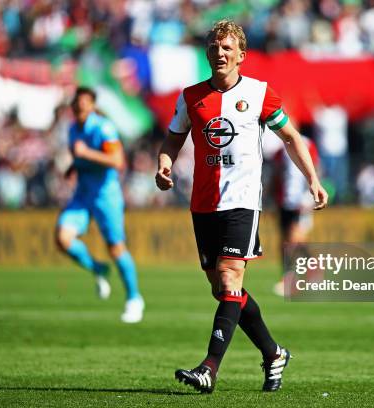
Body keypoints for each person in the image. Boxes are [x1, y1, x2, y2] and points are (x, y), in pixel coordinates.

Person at [156, 20, 328, 393]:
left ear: (242, 56)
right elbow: (172, 140)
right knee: (223, 290)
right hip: (203, 204)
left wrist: (312, 179)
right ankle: (273, 353)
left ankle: (209, 368)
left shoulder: (260, 94)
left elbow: (292, 137)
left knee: (232, 279)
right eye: (215, 48)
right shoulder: (190, 97)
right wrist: (164, 165)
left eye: (228, 48)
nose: (220, 53)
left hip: (242, 202)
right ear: (207, 53)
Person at [55, 86, 144, 324]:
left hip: (106, 195)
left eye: (84, 104)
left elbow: (117, 160)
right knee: (63, 238)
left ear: (92, 106)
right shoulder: (73, 129)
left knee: (115, 248)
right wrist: (73, 166)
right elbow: (79, 155)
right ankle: (98, 268)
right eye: (76, 104)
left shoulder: (104, 127)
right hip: (83, 193)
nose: (79, 108)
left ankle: (134, 299)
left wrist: (85, 154)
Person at [272, 136, 319, 297]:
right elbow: (276, 175)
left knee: (292, 240)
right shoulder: (279, 150)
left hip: (301, 201)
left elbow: (315, 168)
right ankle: (314, 267)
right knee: (289, 241)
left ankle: (288, 278)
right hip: (284, 202)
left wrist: (309, 195)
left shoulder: (307, 144)